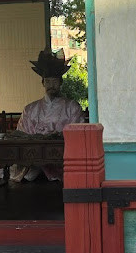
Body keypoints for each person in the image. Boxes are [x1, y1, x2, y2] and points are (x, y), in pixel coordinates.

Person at [8, 48, 84, 183]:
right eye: (48, 81)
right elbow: (22, 134)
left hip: (61, 159)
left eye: (55, 81)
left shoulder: (72, 107)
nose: (51, 85)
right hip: (33, 161)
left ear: (61, 82)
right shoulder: (30, 109)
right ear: (43, 83)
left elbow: (77, 135)